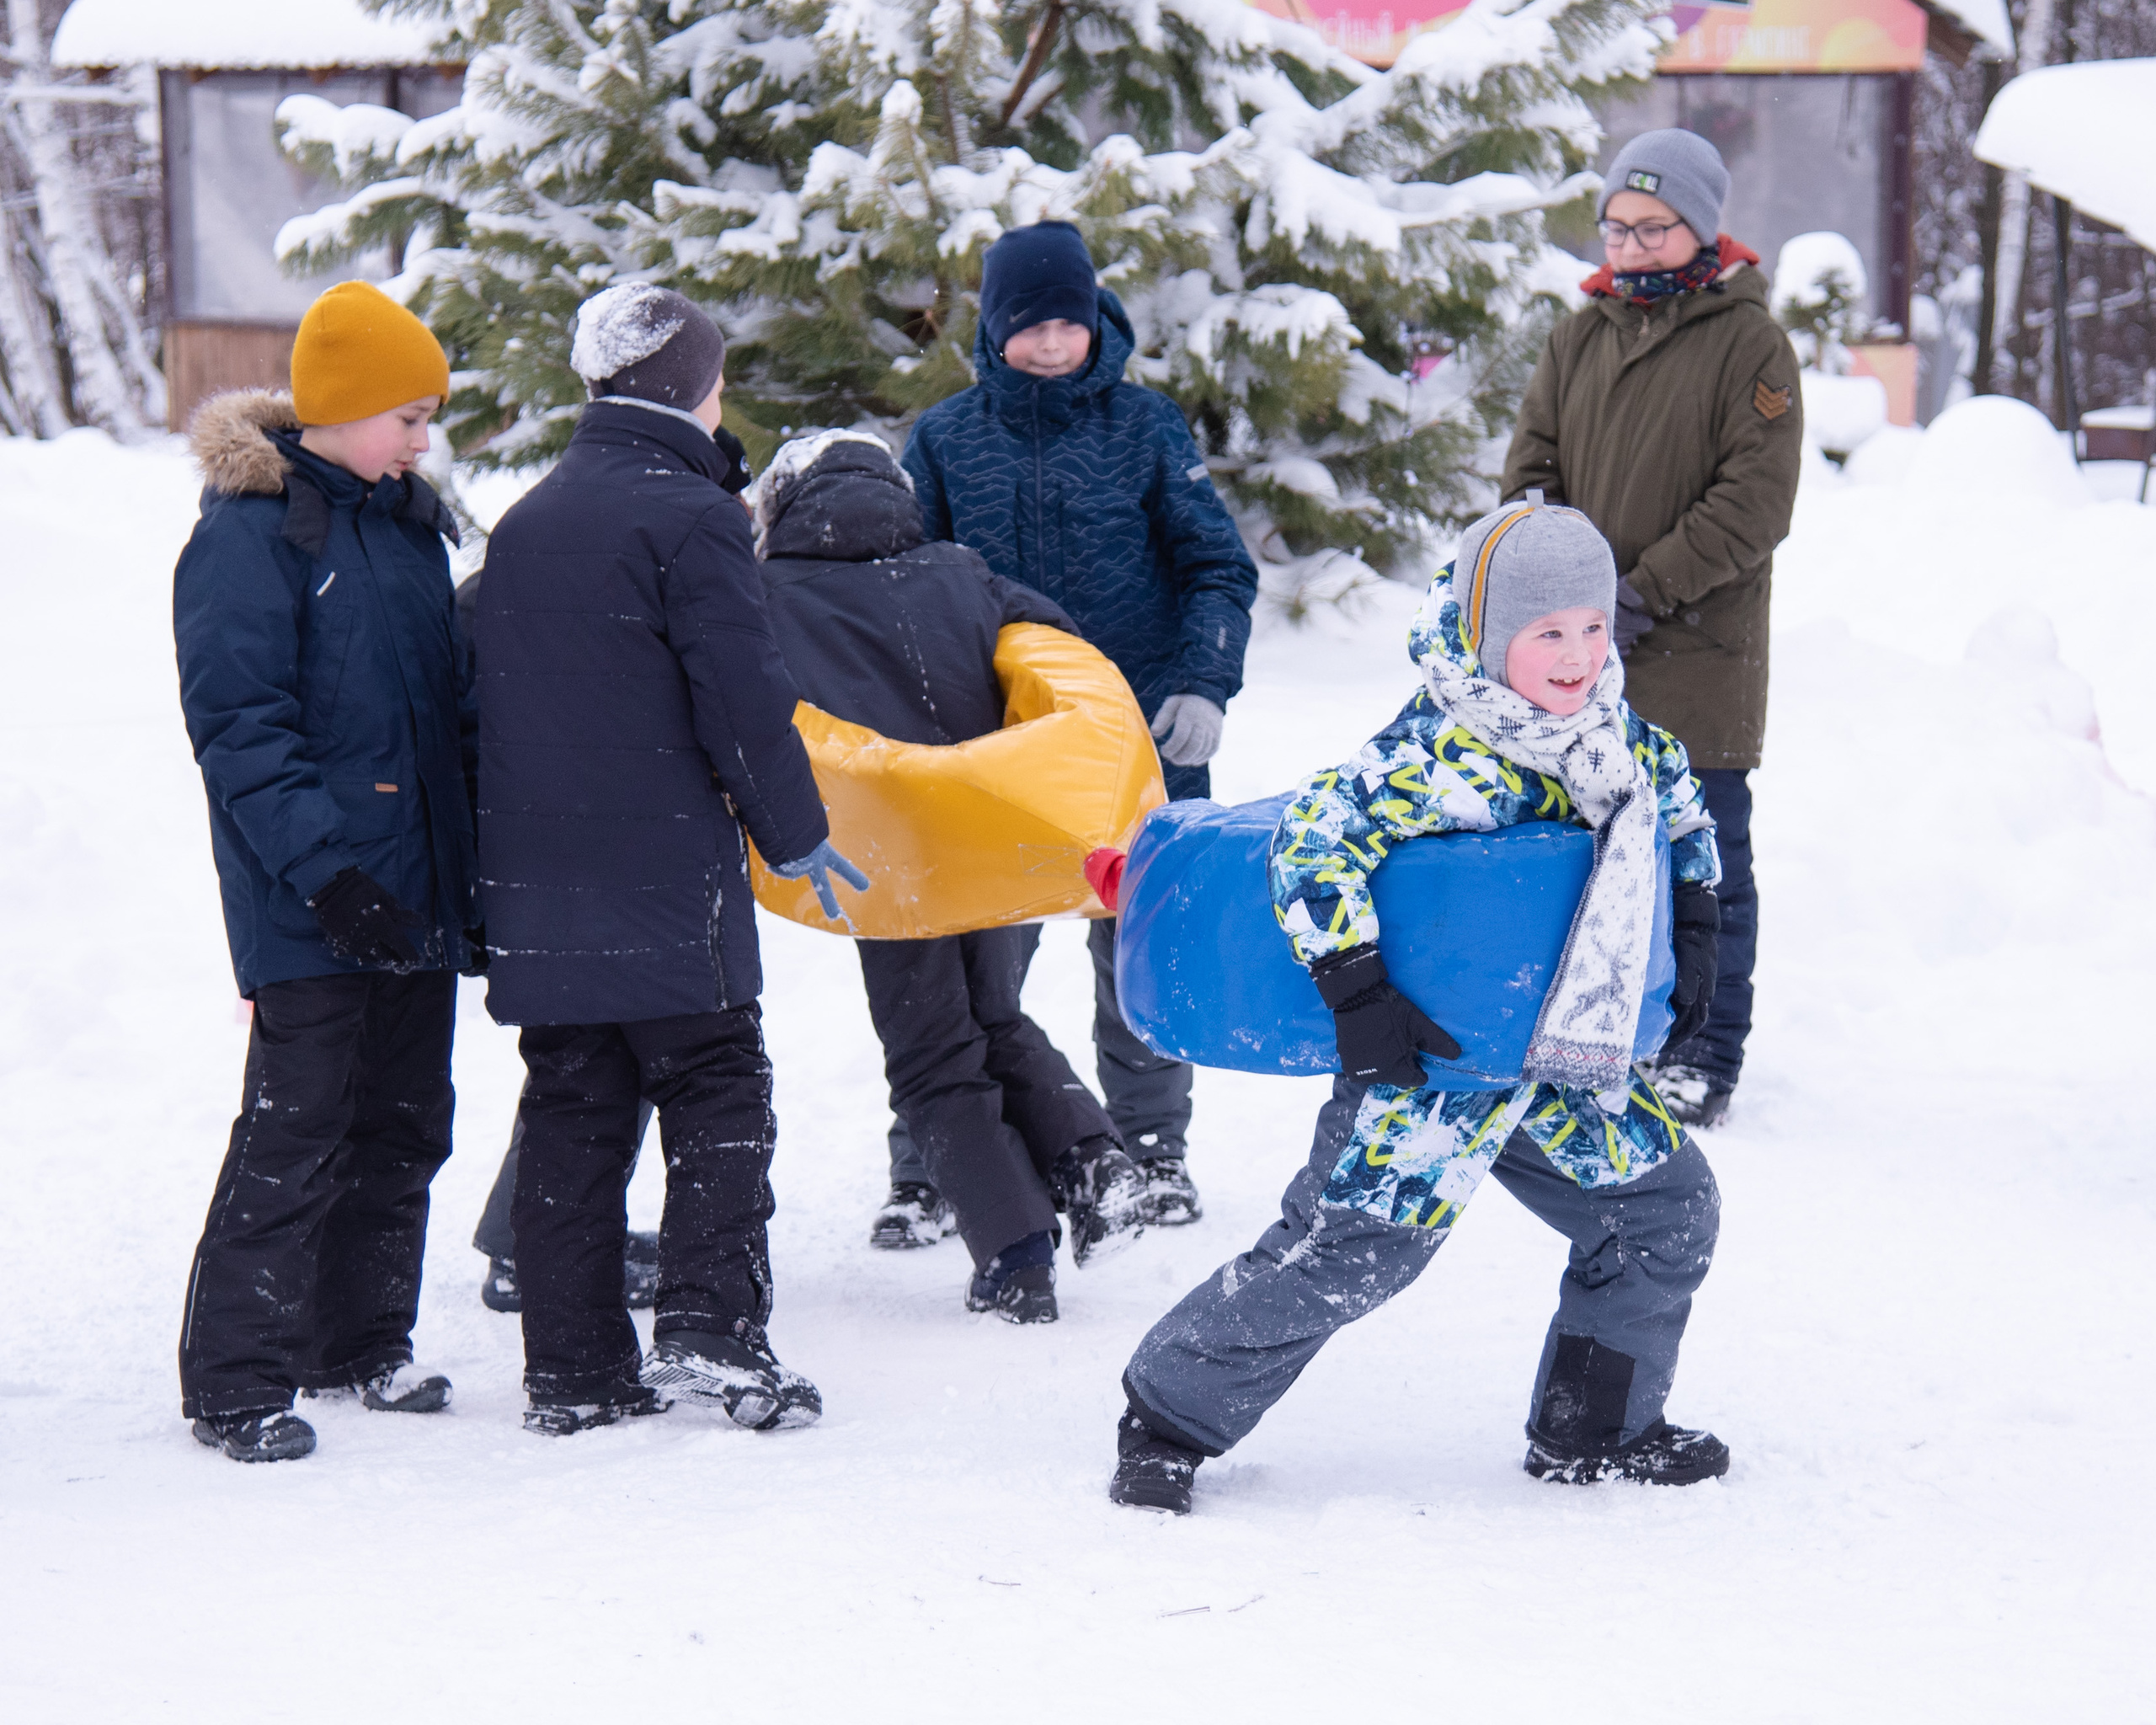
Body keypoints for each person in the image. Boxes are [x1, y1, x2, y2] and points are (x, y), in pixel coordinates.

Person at [1107, 503, 1728, 1515]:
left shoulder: (1620, 739)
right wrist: (1359, 995)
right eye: (1546, 633)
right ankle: (1169, 1411)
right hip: (1431, 1063)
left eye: (1592, 628)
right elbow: (1311, 844)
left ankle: (1594, 1426)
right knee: (1351, 1252)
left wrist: (1695, 930)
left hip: (1568, 1047)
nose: (1577, 657)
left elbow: (1682, 816)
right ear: (1491, 638)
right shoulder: (1431, 753)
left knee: (1664, 1207)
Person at [477, 283, 867, 1437]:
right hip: (663, 878)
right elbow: (743, 700)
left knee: (573, 1106)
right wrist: (795, 832)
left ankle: (574, 1371)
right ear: (697, 389)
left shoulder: (529, 519)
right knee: (717, 1087)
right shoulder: (693, 519)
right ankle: (710, 1330)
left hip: (541, 881)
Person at [901, 221, 1260, 1227]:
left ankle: (1152, 1153)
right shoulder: (944, 439)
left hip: (1129, 749)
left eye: (1069, 323)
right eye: (1030, 327)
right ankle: (937, 1164)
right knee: (969, 964)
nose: (1053, 345)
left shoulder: (1145, 428)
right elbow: (904, 591)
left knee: (1139, 957)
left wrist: (1203, 683)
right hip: (993, 752)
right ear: (993, 329)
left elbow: (1217, 568)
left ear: (1095, 320)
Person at [173, 280, 477, 1464]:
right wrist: (328, 879)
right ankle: (236, 1382)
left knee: (404, 1120)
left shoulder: (402, 532)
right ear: (344, 411)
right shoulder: (251, 536)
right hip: (312, 898)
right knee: (296, 1128)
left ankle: (358, 1343)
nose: (421, 439)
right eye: (408, 415)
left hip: (414, 892)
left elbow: (438, 717)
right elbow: (241, 729)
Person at [754, 430, 1151, 1322]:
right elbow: (1056, 639)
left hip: (888, 857)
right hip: (991, 835)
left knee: (933, 1051)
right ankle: (1094, 1158)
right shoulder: (963, 572)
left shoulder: (769, 594)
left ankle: (1015, 1255)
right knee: (993, 1015)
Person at [1502, 127, 1802, 1128]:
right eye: (1615, 227)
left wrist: (1631, 595)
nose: (1626, 246)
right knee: (1580, 853)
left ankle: (1701, 1052)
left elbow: (1752, 505)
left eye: (1650, 227)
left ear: (1698, 228)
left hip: (1694, 653)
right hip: (1574, 658)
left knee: (1699, 856)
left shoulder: (1748, 341)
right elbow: (1530, 468)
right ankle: (1595, 1036)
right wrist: (1555, 594)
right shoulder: (1579, 332)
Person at [449, 416, 758, 1316]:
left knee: (588, 1069)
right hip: (605, 851)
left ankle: (539, 1273)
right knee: (623, 1063)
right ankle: (546, 1262)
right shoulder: (660, 549)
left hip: (556, 851)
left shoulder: (551, 547)